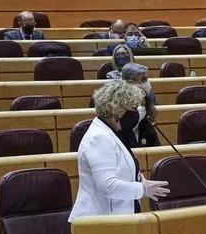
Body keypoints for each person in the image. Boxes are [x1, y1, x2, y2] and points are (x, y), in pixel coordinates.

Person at [68, 79, 169, 221]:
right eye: (133, 109)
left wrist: (141, 180)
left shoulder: (114, 133)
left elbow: (121, 168)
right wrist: (142, 189)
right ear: (117, 109)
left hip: (115, 220)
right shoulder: (99, 137)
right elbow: (108, 186)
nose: (136, 113)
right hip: (98, 223)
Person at [117, 63, 159, 148]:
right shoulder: (119, 111)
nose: (147, 83)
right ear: (131, 83)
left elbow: (155, 144)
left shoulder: (146, 103)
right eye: (143, 80)